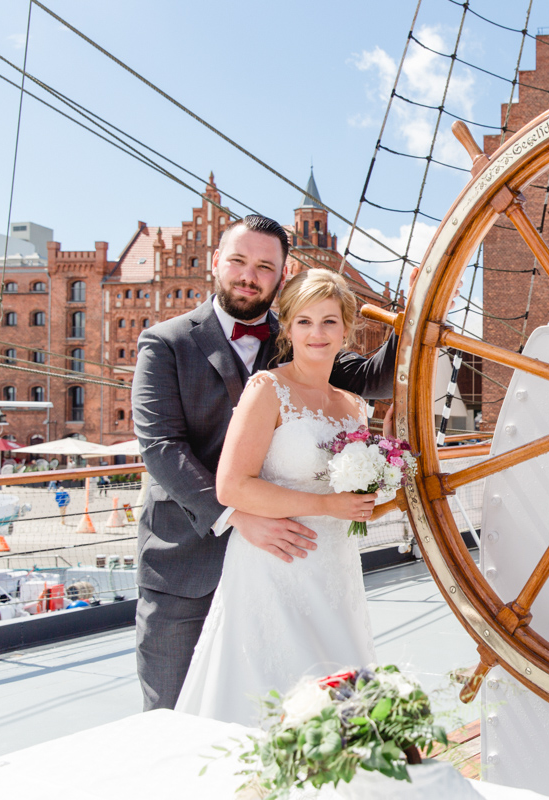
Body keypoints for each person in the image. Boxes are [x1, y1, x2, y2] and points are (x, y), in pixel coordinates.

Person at [132, 215, 396, 712]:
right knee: (174, 714)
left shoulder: (301, 331)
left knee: (304, 705)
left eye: (264, 266)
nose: (248, 275)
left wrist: (419, 314)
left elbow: (372, 380)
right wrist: (235, 513)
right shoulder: (166, 342)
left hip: (290, 564)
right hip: (186, 561)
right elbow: (161, 447)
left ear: (282, 273)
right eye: (237, 261)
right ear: (216, 261)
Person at [175, 268, 382, 725]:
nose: (317, 333)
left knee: (341, 683)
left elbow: (354, 493)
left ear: (347, 329)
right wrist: (327, 505)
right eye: (304, 321)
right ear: (287, 329)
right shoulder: (267, 389)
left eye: (329, 321)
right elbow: (232, 486)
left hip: (336, 565)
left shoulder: (354, 407)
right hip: (275, 563)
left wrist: (387, 486)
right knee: (274, 689)